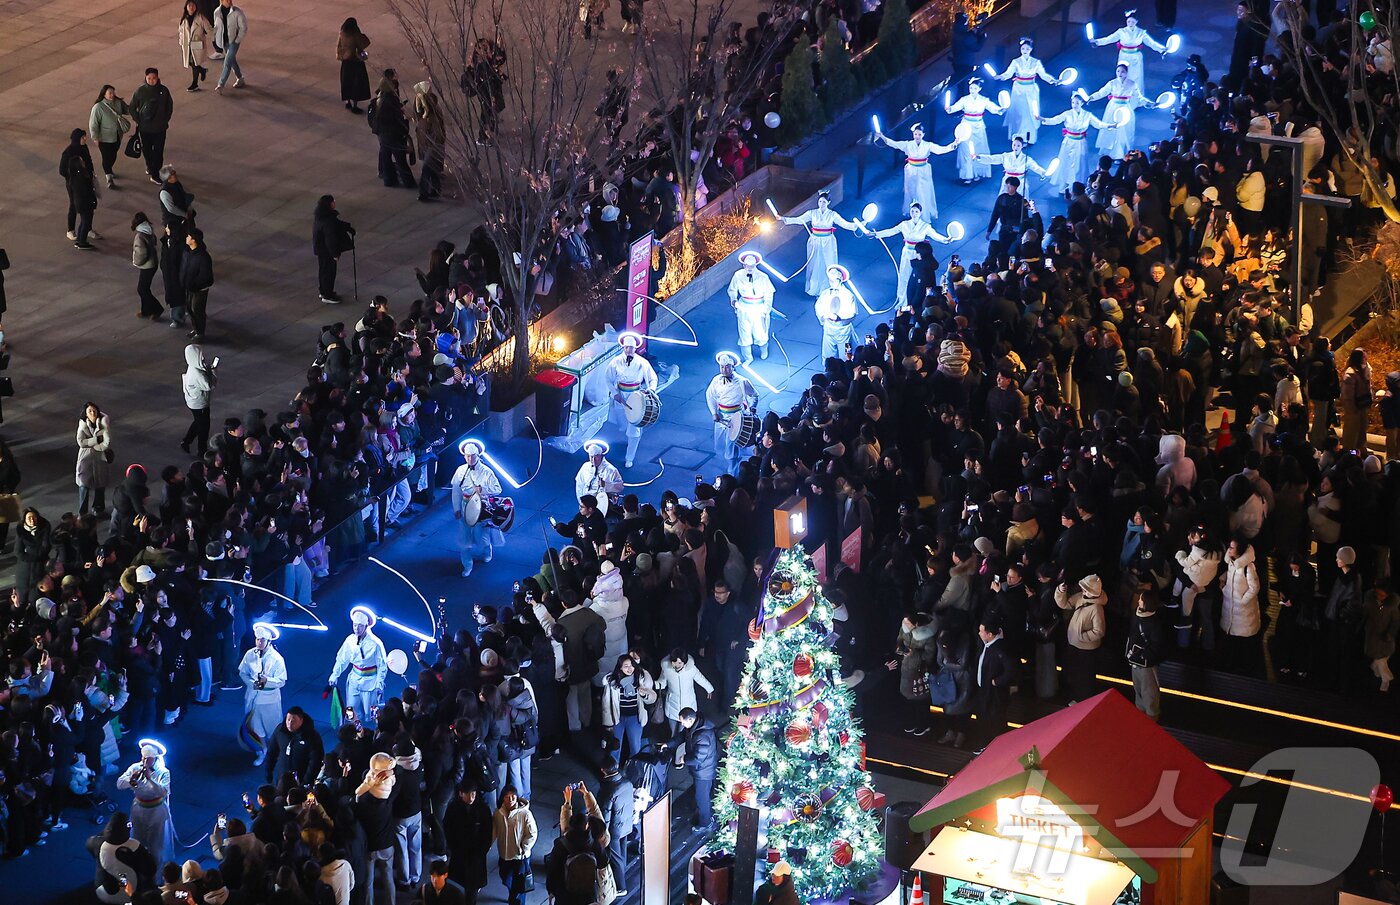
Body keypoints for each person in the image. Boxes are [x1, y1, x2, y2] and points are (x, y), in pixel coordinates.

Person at [778, 191, 861, 296]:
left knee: (829, 263)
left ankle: (829, 287)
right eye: (820, 201)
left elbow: (845, 224)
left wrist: (858, 225)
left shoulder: (832, 214)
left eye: (824, 202)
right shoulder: (812, 213)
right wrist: (783, 219)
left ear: (828, 203)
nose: (821, 204)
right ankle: (814, 288)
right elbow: (799, 220)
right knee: (814, 263)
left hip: (828, 242)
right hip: (815, 241)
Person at [871, 122, 956, 222]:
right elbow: (894, 144)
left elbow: (940, 150)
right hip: (911, 171)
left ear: (923, 135)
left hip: (923, 171)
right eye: (915, 134)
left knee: (922, 192)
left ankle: (923, 215)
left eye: (919, 134)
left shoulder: (928, 145)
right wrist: (882, 136)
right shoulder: (908, 144)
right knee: (911, 192)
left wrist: (952, 146)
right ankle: (913, 213)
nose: (917, 136)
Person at [871, 202, 951, 308]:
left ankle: (916, 301)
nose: (914, 213)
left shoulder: (925, 226)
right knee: (904, 275)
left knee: (917, 277)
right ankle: (902, 300)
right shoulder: (904, 224)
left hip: (919, 255)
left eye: (916, 211)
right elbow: (892, 231)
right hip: (907, 253)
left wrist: (945, 239)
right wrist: (876, 234)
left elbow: (935, 235)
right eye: (912, 211)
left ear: (921, 213)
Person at [116, 741, 176, 867]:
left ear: (154, 758)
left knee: (155, 845)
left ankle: (156, 874)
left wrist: (150, 779)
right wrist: (130, 780)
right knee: (138, 841)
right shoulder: (135, 767)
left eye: (147, 759)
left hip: (156, 811)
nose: (144, 761)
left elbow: (164, 792)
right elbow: (119, 784)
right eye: (143, 757)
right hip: (139, 809)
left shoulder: (163, 772)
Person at [327, 605, 389, 726]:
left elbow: (382, 665)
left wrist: (379, 683)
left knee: (372, 712)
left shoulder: (376, 644)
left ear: (366, 626)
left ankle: (376, 731)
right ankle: (353, 732)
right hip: (354, 679)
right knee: (351, 709)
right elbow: (342, 659)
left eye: (360, 626)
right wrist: (335, 674)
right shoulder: (350, 640)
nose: (356, 628)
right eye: (355, 625)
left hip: (371, 681)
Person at [451, 439, 504, 577]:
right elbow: (456, 490)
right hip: (465, 505)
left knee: (482, 537)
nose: (470, 458)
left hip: (481, 508)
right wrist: (456, 508)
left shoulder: (487, 472)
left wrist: (482, 489)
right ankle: (467, 565)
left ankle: (487, 551)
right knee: (464, 539)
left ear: (478, 455)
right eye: (467, 456)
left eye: (472, 455)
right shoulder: (460, 470)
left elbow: (498, 489)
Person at [605, 332, 659, 468]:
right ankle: (628, 435)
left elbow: (653, 378)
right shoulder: (615, 361)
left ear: (635, 349)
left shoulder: (642, 363)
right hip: (620, 396)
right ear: (623, 348)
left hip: (636, 398)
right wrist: (614, 394)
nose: (629, 350)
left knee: (634, 429)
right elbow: (608, 379)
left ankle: (630, 457)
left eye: (632, 348)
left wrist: (650, 390)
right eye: (627, 347)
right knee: (622, 424)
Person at [992, 38, 1060, 144]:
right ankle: (1017, 137)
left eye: (1027, 48)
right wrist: (1000, 76)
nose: (1025, 50)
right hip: (1018, 90)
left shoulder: (1036, 62)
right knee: (1019, 112)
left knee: (1030, 113)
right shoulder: (1016, 62)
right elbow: (1008, 73)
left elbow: (1043, 75)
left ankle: (1029, 138)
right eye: (1023, 48)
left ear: (1031, 49)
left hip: (1031, 89)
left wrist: (1052, 80)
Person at [238, 622, 287, 767]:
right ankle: (262, 750)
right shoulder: (250, 654)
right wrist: (251, 683)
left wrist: (268, 681)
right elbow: (243, 672)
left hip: (269, 699)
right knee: (254, 726)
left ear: (269, 641)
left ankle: (276, 751)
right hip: (253, 696)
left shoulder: (277, 659)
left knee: (272, 727)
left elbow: (281, 681)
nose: (259, 642)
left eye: (262, 640)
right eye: (257, 639)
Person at [1038, 93, 1107, 192]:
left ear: (1082, 103)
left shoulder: (1087, 115)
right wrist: (1043, 119)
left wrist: (1110, 126)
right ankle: (1064, 185)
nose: (1074, 105)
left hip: (1080, 143)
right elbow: (1055, 120)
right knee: (1066, 163)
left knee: (1079, 164)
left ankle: (1076, 186)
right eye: (1073, 102)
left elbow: (1098, 124)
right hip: (1068, 142)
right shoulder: (1067, 114)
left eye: (1077, 103)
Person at [1089, 8, 1166, 95]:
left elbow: (1151, 43)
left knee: (1135, 77)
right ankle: (1121, 94)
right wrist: (1097, 42)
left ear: (1136, 22)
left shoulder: (1141, 32)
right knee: (1122, 75)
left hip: (1136, 57)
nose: (1130, 24)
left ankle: (1136, 98)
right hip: (1124, 56)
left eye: (1132, 22)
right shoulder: (1121, 32)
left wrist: (1161, 49)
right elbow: (1109, 39)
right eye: (1128, 22)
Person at [706, 351, 758, 476]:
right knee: (720, 445)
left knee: (732, 447)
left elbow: (754, 396)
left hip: (737, 418)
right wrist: (714, 412)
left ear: (733, 367)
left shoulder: (742, 381)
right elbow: (710, 396)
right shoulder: (716, 380)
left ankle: (732, 472)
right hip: (721, 418)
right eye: (722, 367)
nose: (724, 369)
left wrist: (751, 409)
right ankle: (727, 468)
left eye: (727, 366)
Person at [945, 77, 1003, 184]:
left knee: (978, 150)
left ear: (979, 89)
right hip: (966, 126)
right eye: (971, 88)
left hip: (979, 126)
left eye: (975, 88)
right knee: (966, 150)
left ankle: (977, 173)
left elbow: (993, 108)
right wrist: (950, 109)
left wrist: (1000, 109)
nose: (972, 90)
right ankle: (968, 175)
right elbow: (955, 107)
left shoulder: (984, 100)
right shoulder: (964, 100)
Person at [1087, 63, 1150, 160]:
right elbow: (1101, 92)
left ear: (1127, 73)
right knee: (1112, 129)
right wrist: (1091, 97)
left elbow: (1139, 96)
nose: (1120, 73)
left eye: (1123, 71)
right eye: (1118, 71)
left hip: (1125, 108)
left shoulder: (1132, 84)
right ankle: (1108, 150)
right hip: (1113, 108)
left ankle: (1121, 154)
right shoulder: (1112, 83)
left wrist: (1148, 103)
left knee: (1123, 131)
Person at [443, 783, 492, 902]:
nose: (471, 798)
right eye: (468, 794)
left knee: (472, 887)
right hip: (460, 851)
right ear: (461, 794)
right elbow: (448, 828)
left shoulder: (482, 809)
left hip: (476, 854)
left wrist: (483, 850)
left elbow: (488, 831)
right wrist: (452, 847)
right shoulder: (454, 808)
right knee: (460, 883)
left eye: (473, 795)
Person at [971, 619, 1014, 753]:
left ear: (990, 634)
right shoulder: (987, 644)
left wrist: (997, 681)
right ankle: (987, 744)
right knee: (984, 716)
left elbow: (1011, 669)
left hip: (994, 692)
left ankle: (994, 747)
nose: (979, 633)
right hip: (984, 689)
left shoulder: (1000, 649)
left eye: (981, 631)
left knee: (994, 718)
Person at [727, 251, 776, 365]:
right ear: (743, 265)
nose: (749, 268)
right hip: (744, 307)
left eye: (752, 266)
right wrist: (734, 300)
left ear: (755, 265)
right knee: (744, 332)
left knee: (760, 331)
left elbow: (769, 293)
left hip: (759, 308)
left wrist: (766, 309)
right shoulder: (738, 275)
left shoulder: (763, 277)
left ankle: (764, 348)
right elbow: (732, 290)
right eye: (747, 265)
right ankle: (748, 357)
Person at [492, 786, 537, 905]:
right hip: (504, 855)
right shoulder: (498, 813)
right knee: (506, 878)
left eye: (513, 796)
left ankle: (516, 901)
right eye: (507, 797)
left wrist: (524, 847)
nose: (510, 799)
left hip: (520, 857)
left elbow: (532, 833)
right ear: (503, 798)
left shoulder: (525, 813)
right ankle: (513, 895)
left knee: (519, 884)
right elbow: (494, 831)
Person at [130, 68, 174, 183]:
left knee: (159, 151)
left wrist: (165, 119)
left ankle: (155, 174)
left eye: (154, 78)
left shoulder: (164, 91)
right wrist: (138, 120)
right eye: (149, 78)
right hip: (145, 129)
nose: (151, 80)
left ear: (157, 78)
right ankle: (150, 166)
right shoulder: (140, 92)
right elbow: (132, 107)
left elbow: (169, 106)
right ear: (145, 78)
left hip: (160, 128)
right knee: (147, 150)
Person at [676, 707, 716, 830]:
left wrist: (684, 759)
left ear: (690, 720)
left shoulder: (702, 735)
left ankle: (705, 823)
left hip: (704, 772)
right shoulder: (694, 727)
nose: (681, 724)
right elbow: (682, 736)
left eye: (682, 721)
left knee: (701, 797)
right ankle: (705, 815)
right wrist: (669, 744)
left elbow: (698, 758)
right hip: (701, 770)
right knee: (702, 795)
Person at [60, 129, 100, 249]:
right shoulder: (68, 152)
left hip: (86, 179)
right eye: (83, 137)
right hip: (74, 183)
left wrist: (90, 173)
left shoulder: (84, 148)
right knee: (75, 204)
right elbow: (62, 170)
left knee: (89, 205)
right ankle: (71, 229)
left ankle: (87, 228)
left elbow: (89, 161)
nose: (85, 139)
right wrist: (74, 177)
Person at [264, 706, 323, 787]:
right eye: (288, 720)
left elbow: (315, 762)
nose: (289, 724)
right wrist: (268, 772)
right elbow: (271, 752)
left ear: (301, 721)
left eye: (293, 721)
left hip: (300, 781)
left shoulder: (312, 737)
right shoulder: (280, 731)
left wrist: (305, 782)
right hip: (281, 779)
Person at [312, 195, 355, 304]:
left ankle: (324, 291)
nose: (334, 202)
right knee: (329, 272)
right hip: (327, 251)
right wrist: (335, 254)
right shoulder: (328, 221)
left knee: (323, 271)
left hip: (321, 250)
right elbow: (330, 239)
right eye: (333, 201)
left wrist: (348, 227)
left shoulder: (322, 216)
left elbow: (337, 224)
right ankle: (327, 294)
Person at [88, 85, 131, 188]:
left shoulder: (118, 102)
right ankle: (109, 177)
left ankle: (109, 169)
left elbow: (127, 110)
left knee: (113, 155)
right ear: (104, 94)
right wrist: (95, 137)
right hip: (104, 138)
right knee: (106, 157)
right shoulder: (98, 107)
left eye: (113, 92)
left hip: (117, 136)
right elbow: (93, 123)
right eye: (110, 93)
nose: (112, 95)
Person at [75, 401, 113, 515]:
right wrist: (96, 440)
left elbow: (107, 442)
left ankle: (98, 508)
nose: (92, 412)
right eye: (89, 411)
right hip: (85, 458)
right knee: (83, 485)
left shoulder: (103, 423)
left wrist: (92, 444)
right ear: (86, 414)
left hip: (100, 457)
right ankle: (83, 512)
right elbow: (81, 442)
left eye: (94, 410)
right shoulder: (82, 424)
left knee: (100, 485)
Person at [979, 134, 1050, 192]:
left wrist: (1043, 172)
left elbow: (1035, 166)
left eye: (1018, 145)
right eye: (1014, 145)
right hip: (1007, 182)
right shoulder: (1006, 156)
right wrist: (979, 157)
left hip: (1020, 182)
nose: (1015, 147)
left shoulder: (1026, 159)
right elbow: (993, 159)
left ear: (1022, 146)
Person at [180, 342, 216, 455]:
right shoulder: (197, 373)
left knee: (198, 422)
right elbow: (209, 385)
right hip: (200, 404)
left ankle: (186, 441)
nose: (203, 357)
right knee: (204, 427)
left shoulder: (193, 367)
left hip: (194, 402)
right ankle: (202, 450)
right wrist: (213, 372)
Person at [181, 227, 214, 340]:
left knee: (197, 310)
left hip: (199, 289)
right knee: (190, 309)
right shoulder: (187, 252)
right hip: (189, 287)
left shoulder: (203, 256)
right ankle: (196, 329)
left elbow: (205, 276)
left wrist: (193, 284)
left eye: (188, 236)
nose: (186, 238)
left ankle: (200, 332)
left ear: (194, 240)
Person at [575, 440, 623, 516]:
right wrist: (581, 501)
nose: (593, 460)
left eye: (596, 456)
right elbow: (579, 485)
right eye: (591, 456)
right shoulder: (585, 467)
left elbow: (619, 486)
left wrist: (606, 485)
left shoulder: (611, 470)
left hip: (602, 506)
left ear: (601, 455)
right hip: (586, 504)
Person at [130, 212, 164, 320]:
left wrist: (136, 262)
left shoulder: (139, 236)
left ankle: (157, 309)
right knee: (144, 288)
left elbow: (141, 253)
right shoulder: (149, 230)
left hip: (147, 265)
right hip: (152, 263)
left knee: (142, 289)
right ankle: (146, 311)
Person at [177, 1, 213, 92]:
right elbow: (181, 32)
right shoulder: (184, 19)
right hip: (188, 45)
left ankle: (195, 83)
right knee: (190, 63)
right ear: (186, 7)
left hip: (197, 45)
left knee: (195, 64)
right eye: (189, 5)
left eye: (193, 5)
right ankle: (202, 71)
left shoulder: (200, 18)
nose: (191, 7)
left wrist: (214, 37)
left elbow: (208, 29)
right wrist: (181, 42)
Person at [211, 0, 247, 91]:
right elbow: (216, 26)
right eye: (227, 0)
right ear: (221, 1)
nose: (229, 1)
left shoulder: (237, 12)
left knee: (227, 63)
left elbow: (243, 27)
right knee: (232, 60)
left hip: (233, 42)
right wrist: (214, 35)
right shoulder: (217, 12)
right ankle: (240, 78)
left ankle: (221, 84)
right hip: (224, 42)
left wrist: (237, 40)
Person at [338, 18, 372, 113]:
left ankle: (347, 102)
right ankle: (355, 106)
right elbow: (365, 42)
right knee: (356, 84)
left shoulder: (342, 33)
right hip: (356, 61)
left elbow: (339, 46)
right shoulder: (355, 35)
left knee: (346, 82)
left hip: (345, 61)